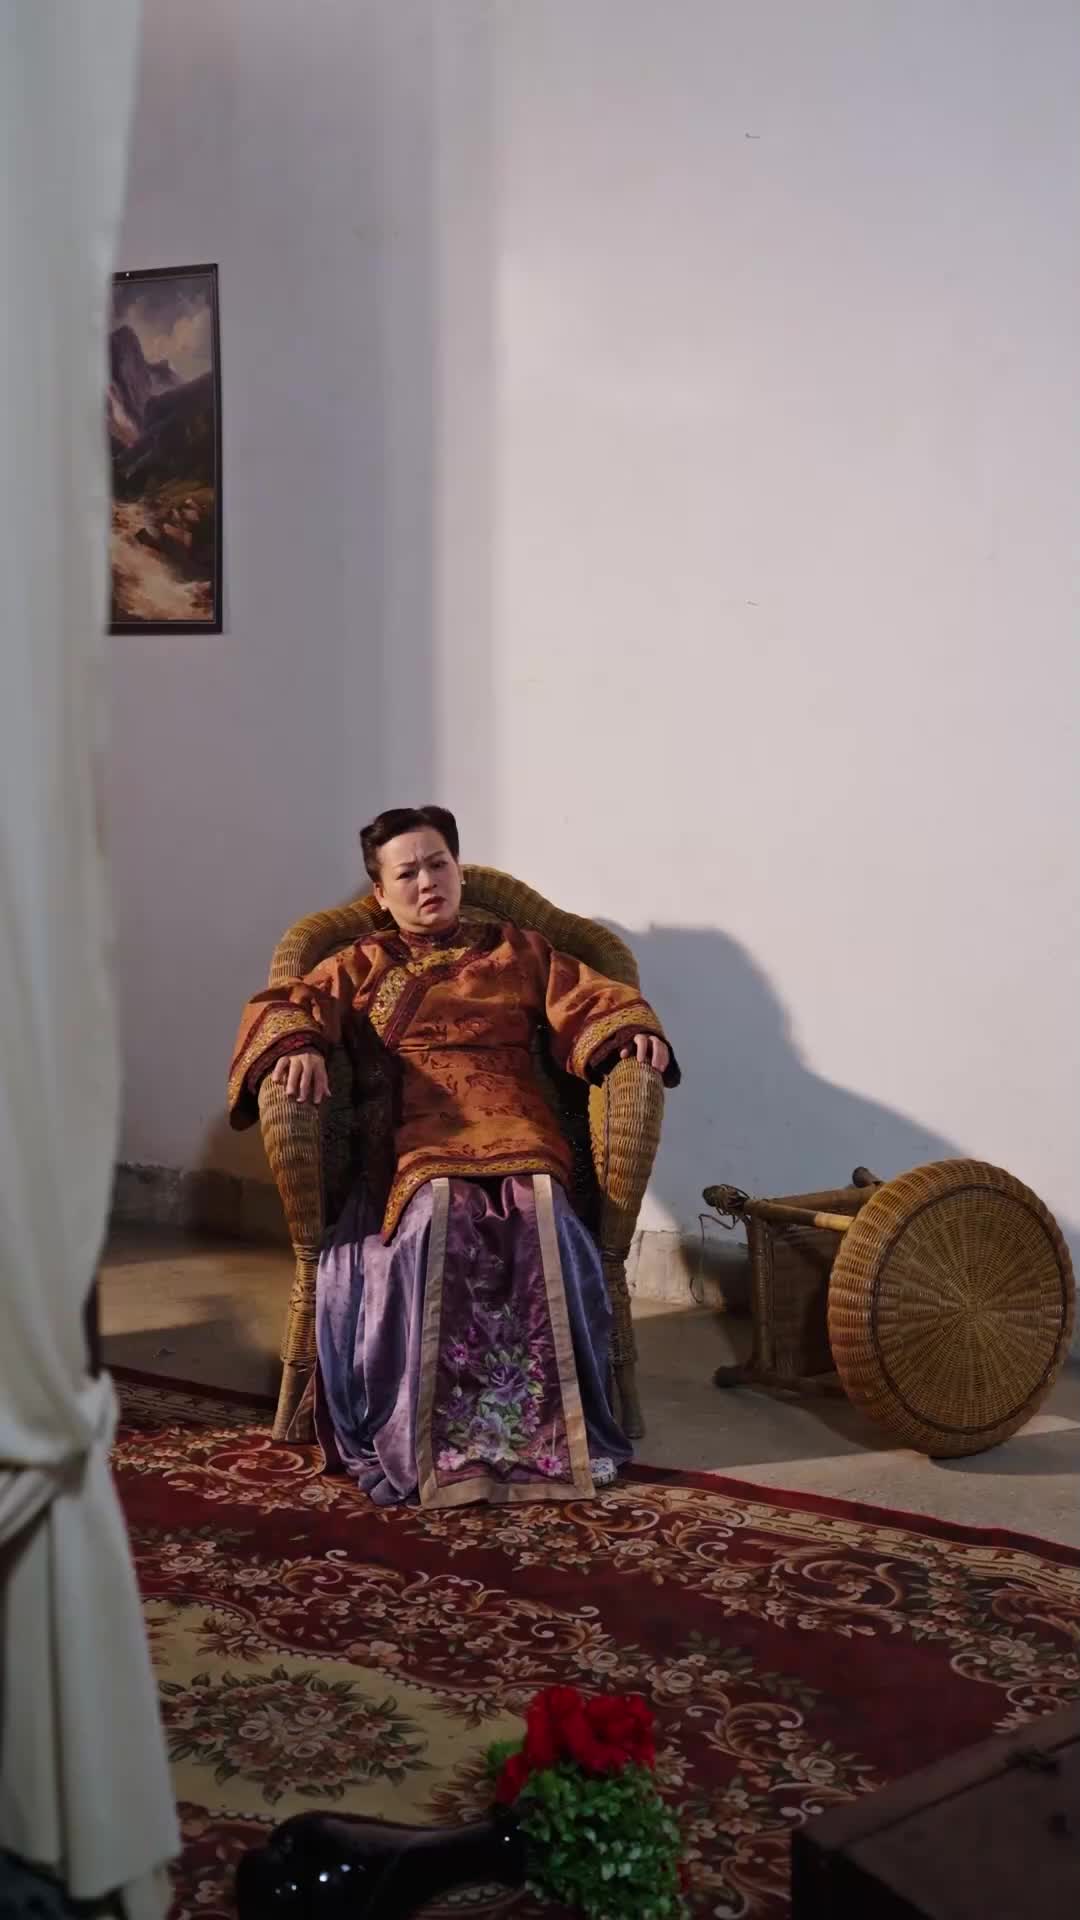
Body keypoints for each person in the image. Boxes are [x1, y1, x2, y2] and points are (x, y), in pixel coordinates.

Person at [228, 806, 678, 1509]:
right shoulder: (360, 962)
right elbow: (289, 1003)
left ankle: (542, 1435)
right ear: (381, 894)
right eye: (407, 873)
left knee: (539, 1212)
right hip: (413, 1129)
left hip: (519, 1121)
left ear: (459, 870)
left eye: (438, 864)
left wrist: (627, 1034)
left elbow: (591, 999)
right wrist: (299, 1045)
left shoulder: (520, 949)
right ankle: (438, 1437)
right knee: (440, 1213)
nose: (427, 882)